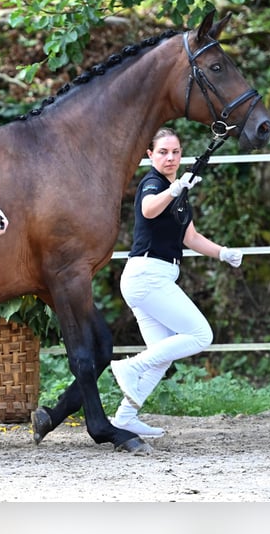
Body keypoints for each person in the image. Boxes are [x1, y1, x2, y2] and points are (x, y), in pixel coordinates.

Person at [109, 127, 243, 438]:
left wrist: (223, 253)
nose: (170, 158)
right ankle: (130, 367)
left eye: (176, 152)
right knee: (200, 334)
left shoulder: (177, 190)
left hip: (154, 278)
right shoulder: (152, 184)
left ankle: (125, 417)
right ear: (150, 155)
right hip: (147, 276)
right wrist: (175, 188)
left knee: (162, 354)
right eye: (163, 152)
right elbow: (148, 209)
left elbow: (191, 237)